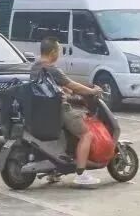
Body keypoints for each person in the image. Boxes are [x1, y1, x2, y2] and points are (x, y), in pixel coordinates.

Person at [30, 36, 103, 187]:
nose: (59, 54)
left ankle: (54, 171)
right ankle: (81, 175)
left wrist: (62, 89)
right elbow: (74, 85)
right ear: (53, 52)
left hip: (41, 110)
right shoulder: (52, 69)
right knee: (86, 134)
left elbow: (46, 85)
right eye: (59, 51)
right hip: (57, 110)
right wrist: (92, 91)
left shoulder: (35, 67)